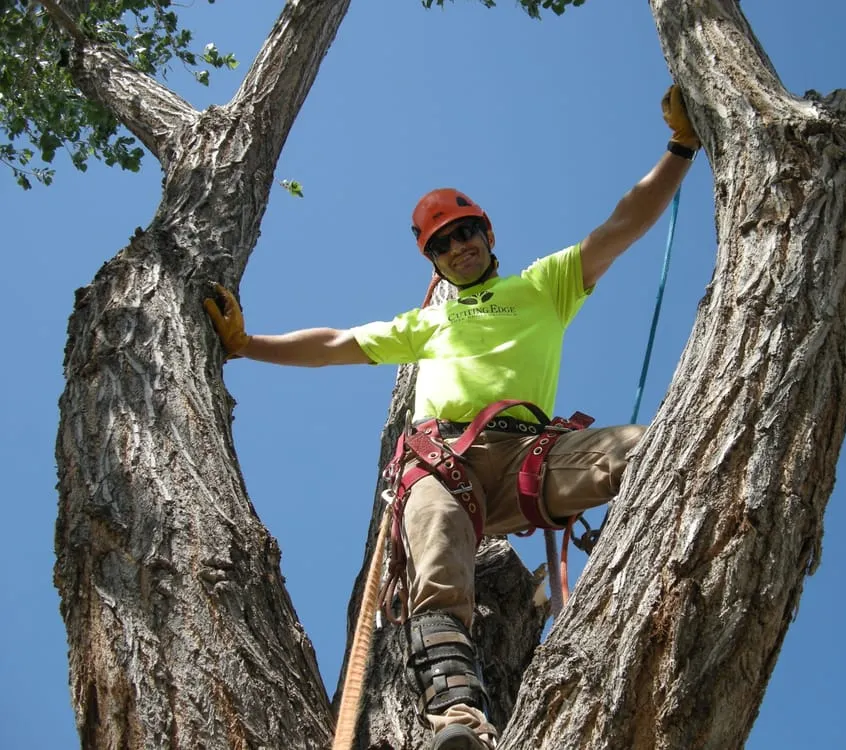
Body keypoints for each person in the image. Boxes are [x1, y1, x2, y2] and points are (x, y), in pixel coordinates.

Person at [204, 85, 699, 750]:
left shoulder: (543, 287)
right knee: (436, 561)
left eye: (467, 232)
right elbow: (334, 344)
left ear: (489, 234)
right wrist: (247, 345)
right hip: (443, 465)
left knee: (647, 449)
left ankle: (654, 592)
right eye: (444, 243)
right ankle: (458, 722)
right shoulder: (427, 321)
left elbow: (622, 225)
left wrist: (679, 148)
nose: (459, 245)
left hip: (532, 458)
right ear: (433, 262)